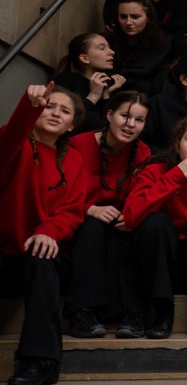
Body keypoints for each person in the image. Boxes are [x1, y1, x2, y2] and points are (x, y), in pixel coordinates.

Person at [0, 84, 85, 385]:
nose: (56, 113)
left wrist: (48, 231)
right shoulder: (16, 143)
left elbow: (73, 211)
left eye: (65, 111)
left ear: (71, 126)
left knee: (42, 257)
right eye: (50, 106)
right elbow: (10, 139)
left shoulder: (74, 160)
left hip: (43, 252)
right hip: (6, 249)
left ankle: (40, 362)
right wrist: (28, 105)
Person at [122, 114, 187, 340]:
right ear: (177, 143)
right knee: (156, 221)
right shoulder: (155, 171)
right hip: (161, 267)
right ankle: (163, 314)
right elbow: (131, 217)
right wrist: (176, 176)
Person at [66, 91, 151, 340]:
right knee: (92, 227)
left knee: (128, 228)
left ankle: (133, 313)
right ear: (109, 114)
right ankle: (83, 312)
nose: (130, 125)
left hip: (118, 220)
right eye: (124, 116)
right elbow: (61, 194)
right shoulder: (78, 144)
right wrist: (89, 209)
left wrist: (130, 215)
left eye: (139, 120)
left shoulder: (142, 151)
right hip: (82, 218)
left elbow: (140, 193)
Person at [108, 0, 177, 96]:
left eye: (135, 17)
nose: (128, 22)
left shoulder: (161, 42)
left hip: (147, 94)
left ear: (148, 17)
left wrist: (110, 77)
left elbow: (140, 72)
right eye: (123, 16)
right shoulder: (109, 41)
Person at [54, 33, 123, 133]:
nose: (111, 52)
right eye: (102, 48)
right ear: (84, 58)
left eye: (109, 47)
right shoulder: (64, 80)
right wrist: (93, 96)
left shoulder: (108, 84)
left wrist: (106, 95)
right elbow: (69, 121)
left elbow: (108, 127)